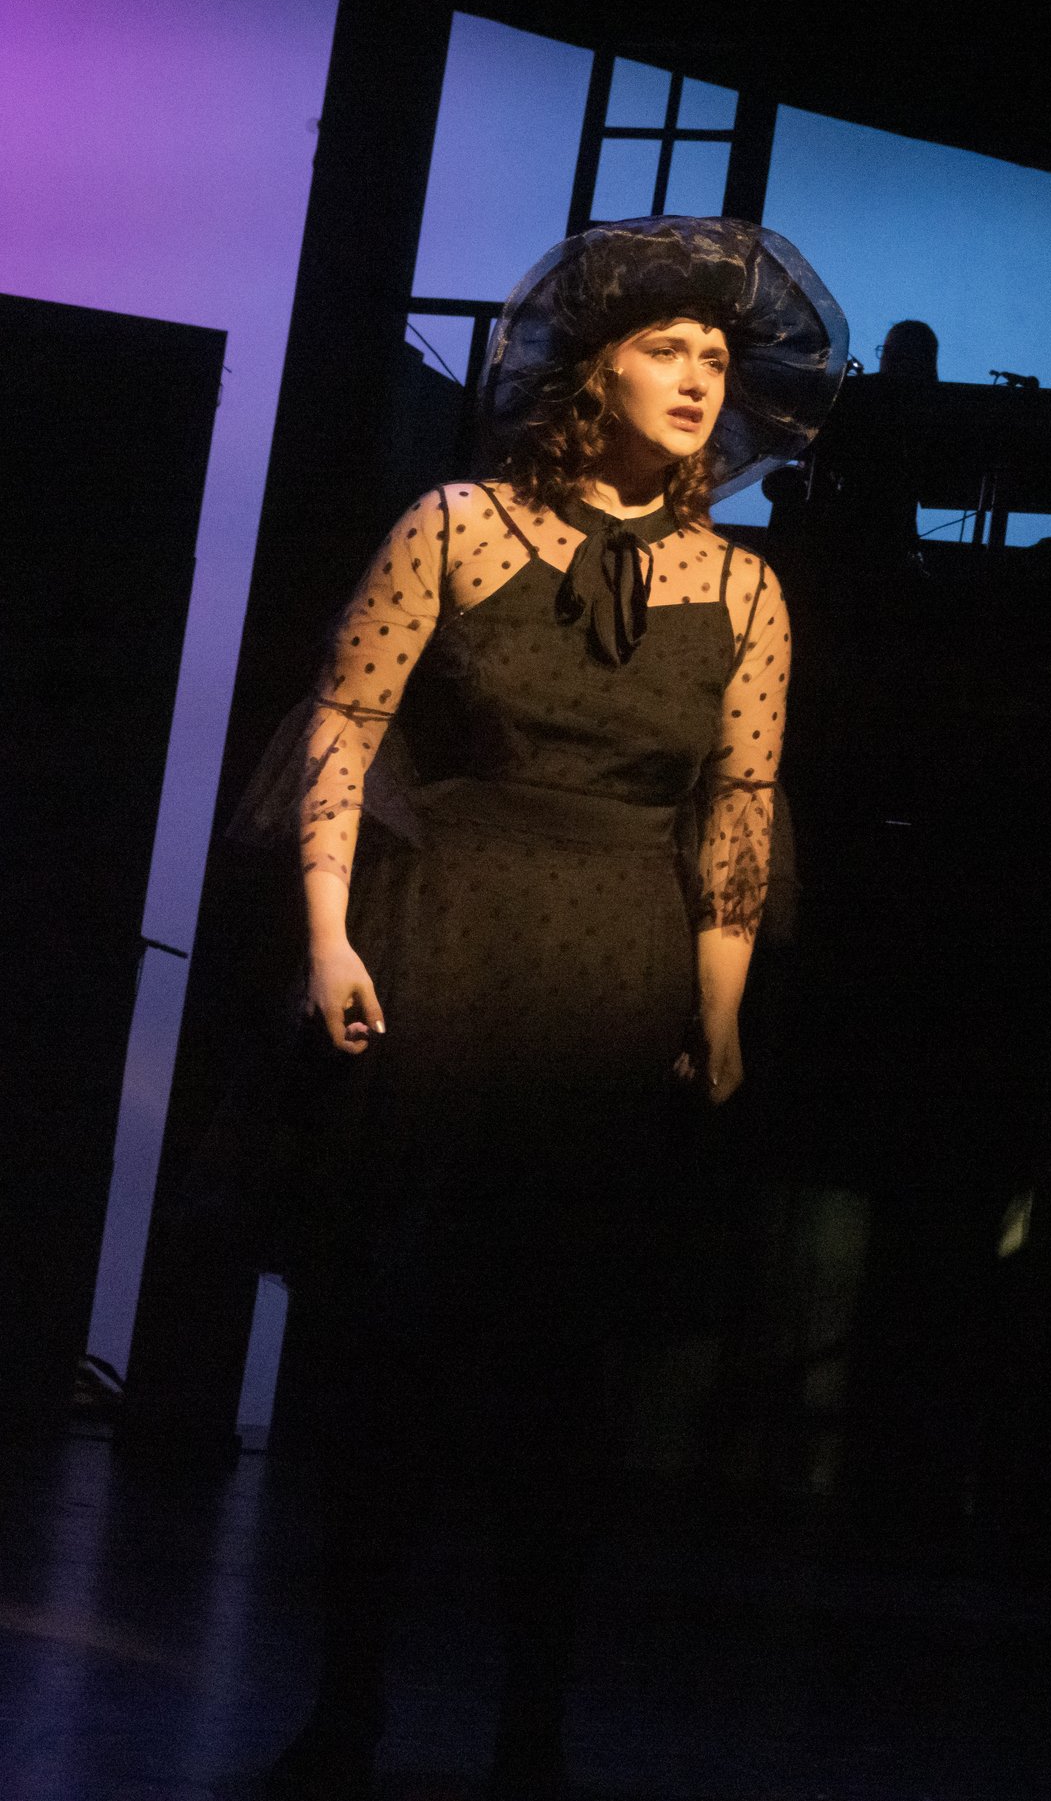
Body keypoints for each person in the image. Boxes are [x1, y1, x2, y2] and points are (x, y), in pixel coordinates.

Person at [253, 216, 845, 1799]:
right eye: (668, 349)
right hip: (452, 947)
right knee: (392, 1352)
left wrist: (720, 1007)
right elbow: (347, 728)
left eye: (717, 357)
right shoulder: (454, 527)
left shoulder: (747, 589)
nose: (699, 378)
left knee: (564, 1380)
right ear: (596, 370)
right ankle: (348, 1705)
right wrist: (329, 935)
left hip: (615, 972)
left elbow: (738, 810)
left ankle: (533, 1727)